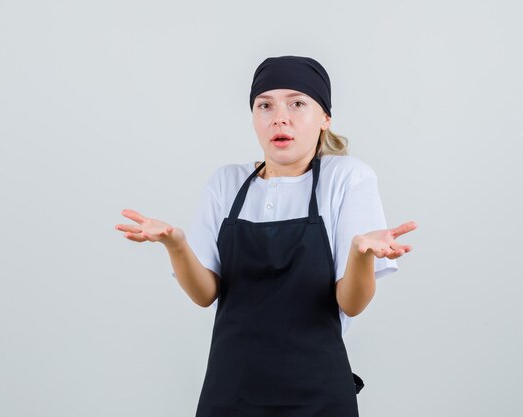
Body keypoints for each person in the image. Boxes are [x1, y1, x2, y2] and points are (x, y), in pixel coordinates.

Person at [115, 55, 417, 416]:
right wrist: (176, 245)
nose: (280, 117)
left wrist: (360, 255)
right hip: (231, 392)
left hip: (318, 395)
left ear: (325, 118)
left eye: (297, 103)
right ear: (254, 117)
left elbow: (351, 303)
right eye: (265, 105)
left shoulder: (347, 178)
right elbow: (204, 294)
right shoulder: (226, 183)